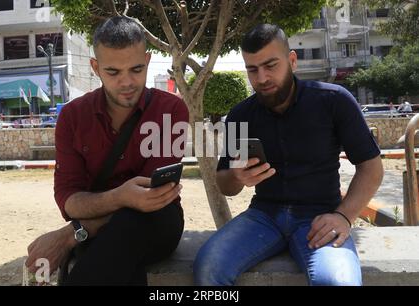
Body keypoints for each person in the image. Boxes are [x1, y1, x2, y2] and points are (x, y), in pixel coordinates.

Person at [193, 24, 384, 286]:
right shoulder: (241, 115)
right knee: (208, 266)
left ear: (292, 61)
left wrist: (344, 216)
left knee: (339, 282)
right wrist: (237, 176)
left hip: (319, 215)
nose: (261, 78)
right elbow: (226, 186)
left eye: (271, 65)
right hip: (263, 216)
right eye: (252, 69)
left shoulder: (333, 101)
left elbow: (371, 167)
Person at [25, 16, 188, 285]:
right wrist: (120, 197)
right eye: (113, 72)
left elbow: (154, 197)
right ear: (95, 68)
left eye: (136, 69)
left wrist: (71, 234)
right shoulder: (73, 117)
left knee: (127, 230)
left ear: (147, 62)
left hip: (158, 221)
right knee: (118, 256)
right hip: (101, 232)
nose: (127, 82)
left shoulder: (170, 110)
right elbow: (68, 199)